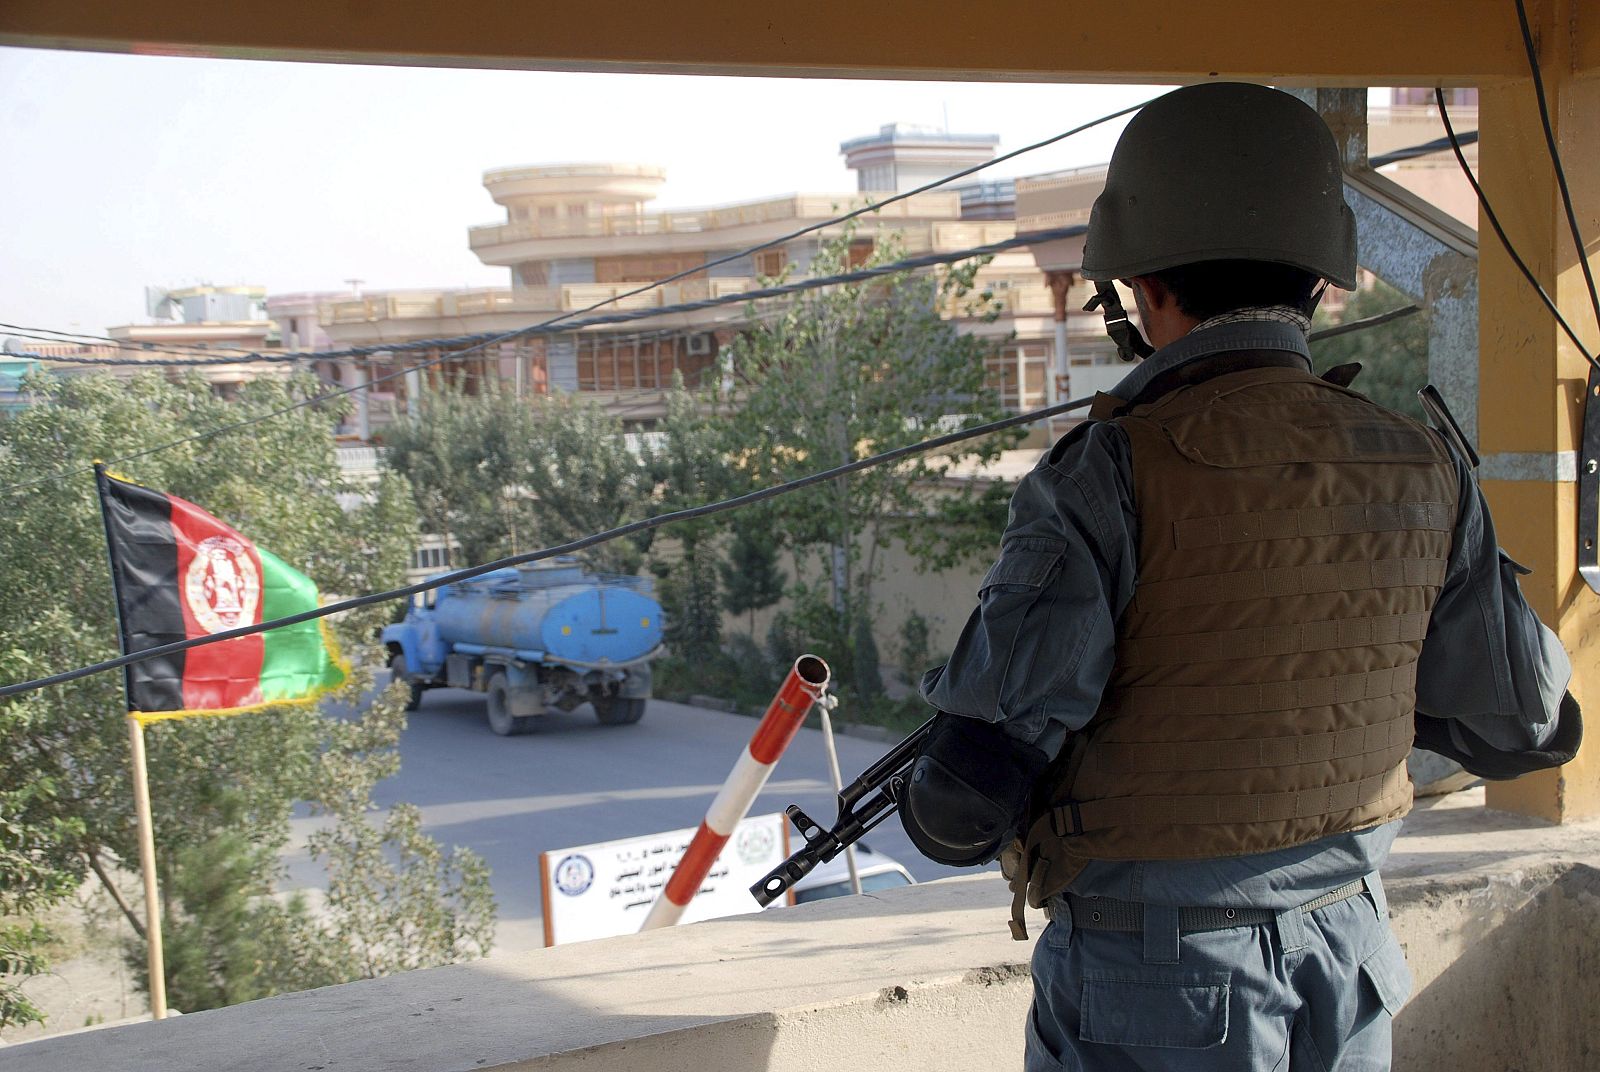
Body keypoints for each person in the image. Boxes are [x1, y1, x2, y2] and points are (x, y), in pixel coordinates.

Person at [899, 82, 1581, 1072]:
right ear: (1322, 281)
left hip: (1155, 990)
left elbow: (961, 805)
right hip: (1346, 961)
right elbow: (1528, 723)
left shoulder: (1108, 470)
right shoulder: (1425, 464)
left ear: (1146, 288)